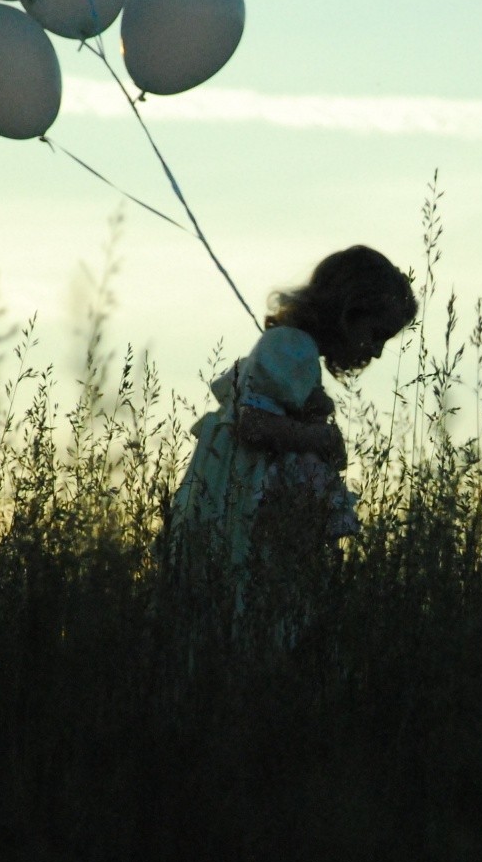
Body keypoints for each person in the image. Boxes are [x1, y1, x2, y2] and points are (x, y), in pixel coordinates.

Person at [165, 245, 417, 617]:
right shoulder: (290, 346)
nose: (377, 351)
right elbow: (253, 424)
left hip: (240, 507)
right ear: (350, 313)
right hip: (238, 510)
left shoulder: (295, 349)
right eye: (376, 333)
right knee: (240, 611)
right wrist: (322, 438)